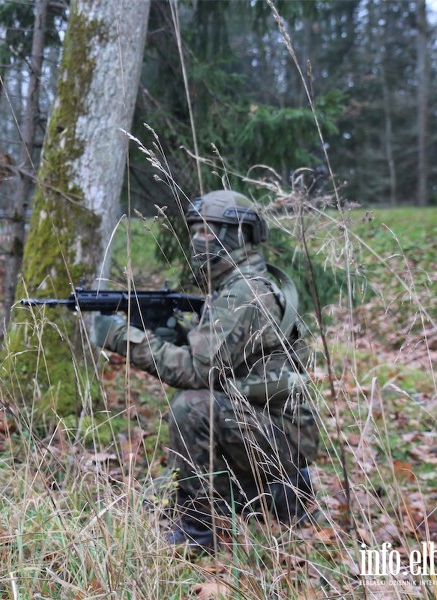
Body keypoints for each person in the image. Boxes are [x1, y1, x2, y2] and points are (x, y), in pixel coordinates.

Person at [90, 190, 319, 551]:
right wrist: (176, 335)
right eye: (195, 231)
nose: (198, 240)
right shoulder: (237, 285)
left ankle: (199, 530)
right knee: (157, 496)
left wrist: (122, 338)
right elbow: (226, 363)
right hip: (270, 429)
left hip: (280, 437)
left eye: (208, 232)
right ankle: (280, 493)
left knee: (192, 406)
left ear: (238, 234)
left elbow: (198, 373)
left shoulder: (242, 294)